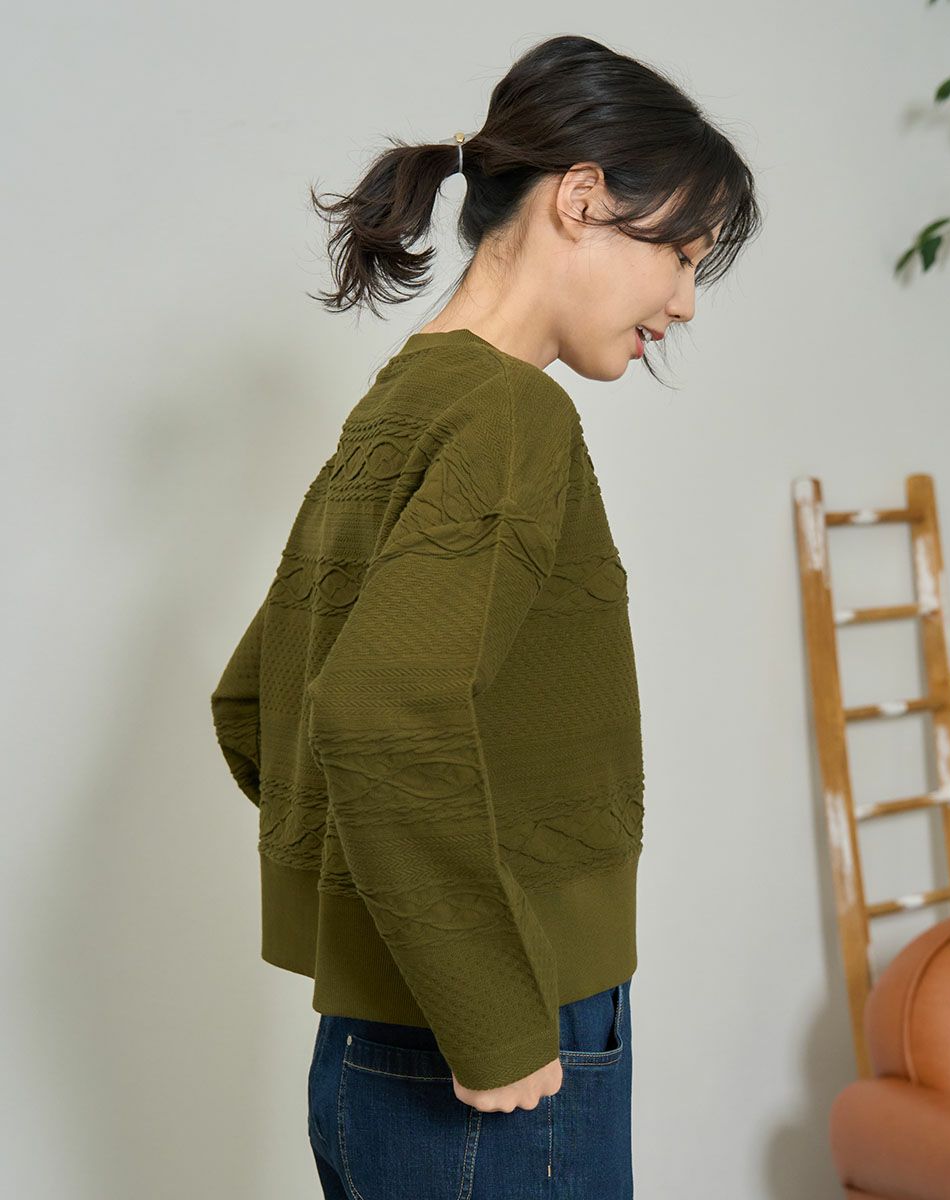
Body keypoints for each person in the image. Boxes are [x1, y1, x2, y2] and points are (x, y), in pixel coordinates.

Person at [210, 32, 762, 1199]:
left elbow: (256, 707)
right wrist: (490, 1009)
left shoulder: (401, 402)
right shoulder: (513, 418)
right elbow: (371, 720)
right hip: (494, 1053)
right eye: (680, 255)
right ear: (581, 197)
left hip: (370, 1056)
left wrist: (393, 928)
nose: (683, 302)